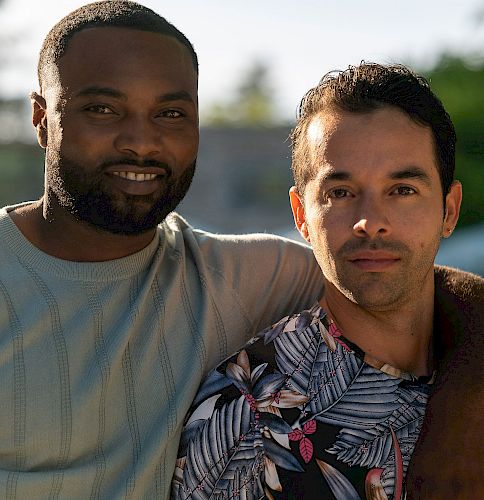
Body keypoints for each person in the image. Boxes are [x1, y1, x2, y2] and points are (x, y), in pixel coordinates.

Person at [0, 2, 479, 498]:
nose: (140, 142)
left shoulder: (248, 273)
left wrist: (459, 418)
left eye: (171, 113)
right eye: (103, 109)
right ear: (41, 118)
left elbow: (419, 283)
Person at [172, 63, 484, 499]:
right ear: (301, 215)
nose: (370, 221)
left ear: (449, 210)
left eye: (402, 190)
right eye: (340, 192)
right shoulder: (246, 416)